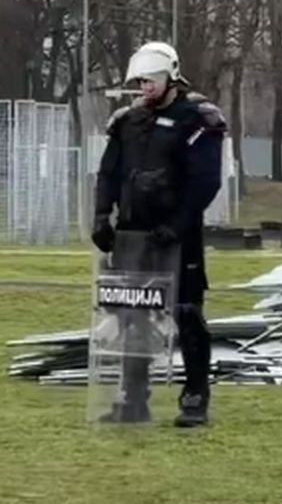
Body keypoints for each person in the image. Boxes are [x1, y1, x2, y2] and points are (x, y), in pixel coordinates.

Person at [91, 41, 226, 428]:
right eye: (140, 81)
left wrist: (177, 226)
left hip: (177, 236)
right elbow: (109, 173)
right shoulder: (127, 122)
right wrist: (103, 216)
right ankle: (133, 399)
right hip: (133, 234)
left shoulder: (196, 118)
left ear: (171, 76)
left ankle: (195, 397)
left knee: (186, 312)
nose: (145, 87)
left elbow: (205, 182)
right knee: (131, 315)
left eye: (151, 79)